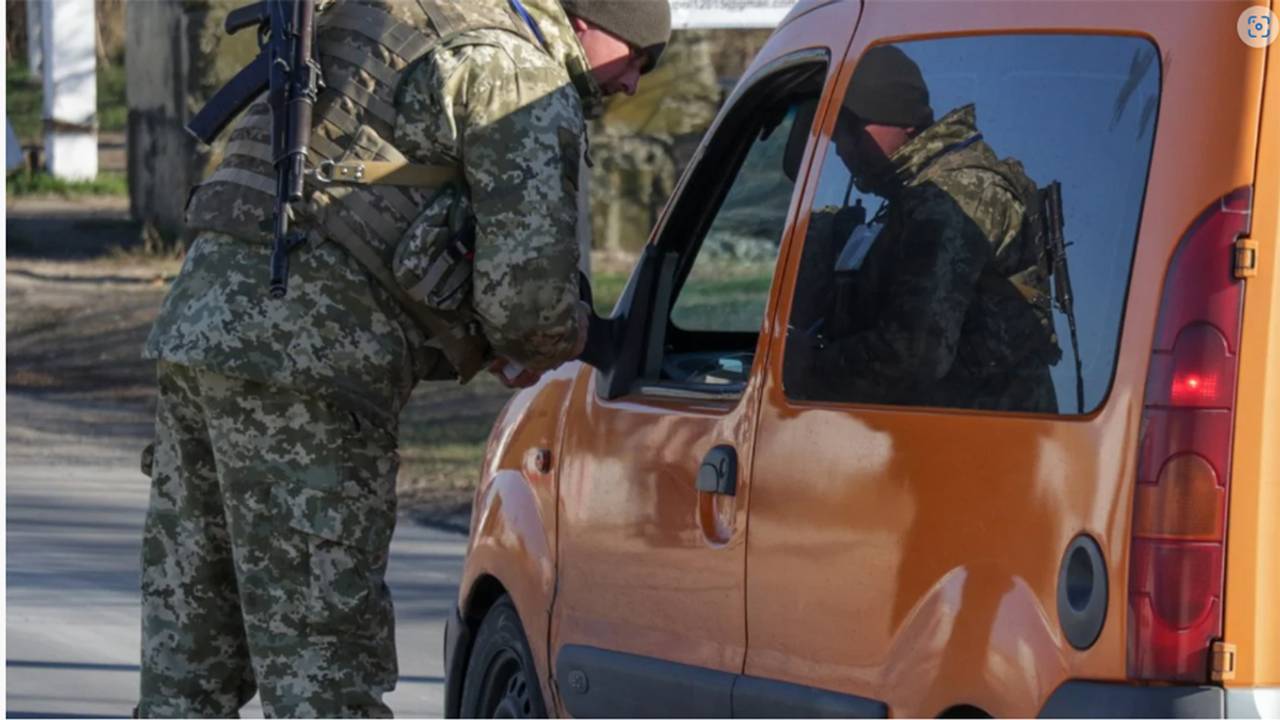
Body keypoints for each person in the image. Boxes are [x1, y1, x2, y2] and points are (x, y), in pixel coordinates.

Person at [135, 0, 670, 716]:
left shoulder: (415, 15)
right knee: (323, 671)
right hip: (308, 366)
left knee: (188, 661)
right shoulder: (514, 72)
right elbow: (530, 305)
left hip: (195, 335)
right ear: (592, 24)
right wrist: (551, 343)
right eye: (640, 57)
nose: (634, 82)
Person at [787, 44, 1060, 413]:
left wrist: (805, 368)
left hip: (982, 443)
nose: (843, 149)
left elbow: (913, 354)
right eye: (837, 136)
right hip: (948, 436)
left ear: (904, 120)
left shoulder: (952, 198)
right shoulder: (911, 195)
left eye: (853, 130)